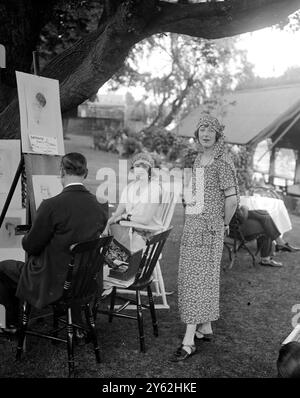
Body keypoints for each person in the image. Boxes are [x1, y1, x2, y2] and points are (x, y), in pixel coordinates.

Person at [0, 152, 108, 334]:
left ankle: (12, 325)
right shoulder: (100, 205)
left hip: (53, 279)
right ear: (86, 173)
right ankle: (77, 324)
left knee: (3, 268)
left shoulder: (51, 205)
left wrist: (27, 236)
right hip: (83, 280)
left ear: (62, 173)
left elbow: (31, 246)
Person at [173, 114, 238, 361]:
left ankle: (188, 340)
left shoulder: (221, 161)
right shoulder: (200, 158)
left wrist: (223, 224)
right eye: (202, 129)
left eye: (211, 130)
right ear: (197, 133)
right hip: (194, 224)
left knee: (196, 278)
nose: (206, 134)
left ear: (218, 135)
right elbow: (200, 191)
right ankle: (206, 325)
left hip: (208, 229)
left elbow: (231, 199)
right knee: (202, 276)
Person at [104, 152, 163, 266]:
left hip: (147, 238)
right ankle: (116, 273)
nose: (140, 169)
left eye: (144, 166)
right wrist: (106, 225)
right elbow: (117, 213)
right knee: (100, 245)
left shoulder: (154, 189)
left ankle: (123, 273)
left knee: (105, 254)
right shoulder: (130, 187)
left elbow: (145, 220)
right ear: (133, 168)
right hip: (131, 233)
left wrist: (125, 216)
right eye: (137, 166)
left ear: (150, 169)